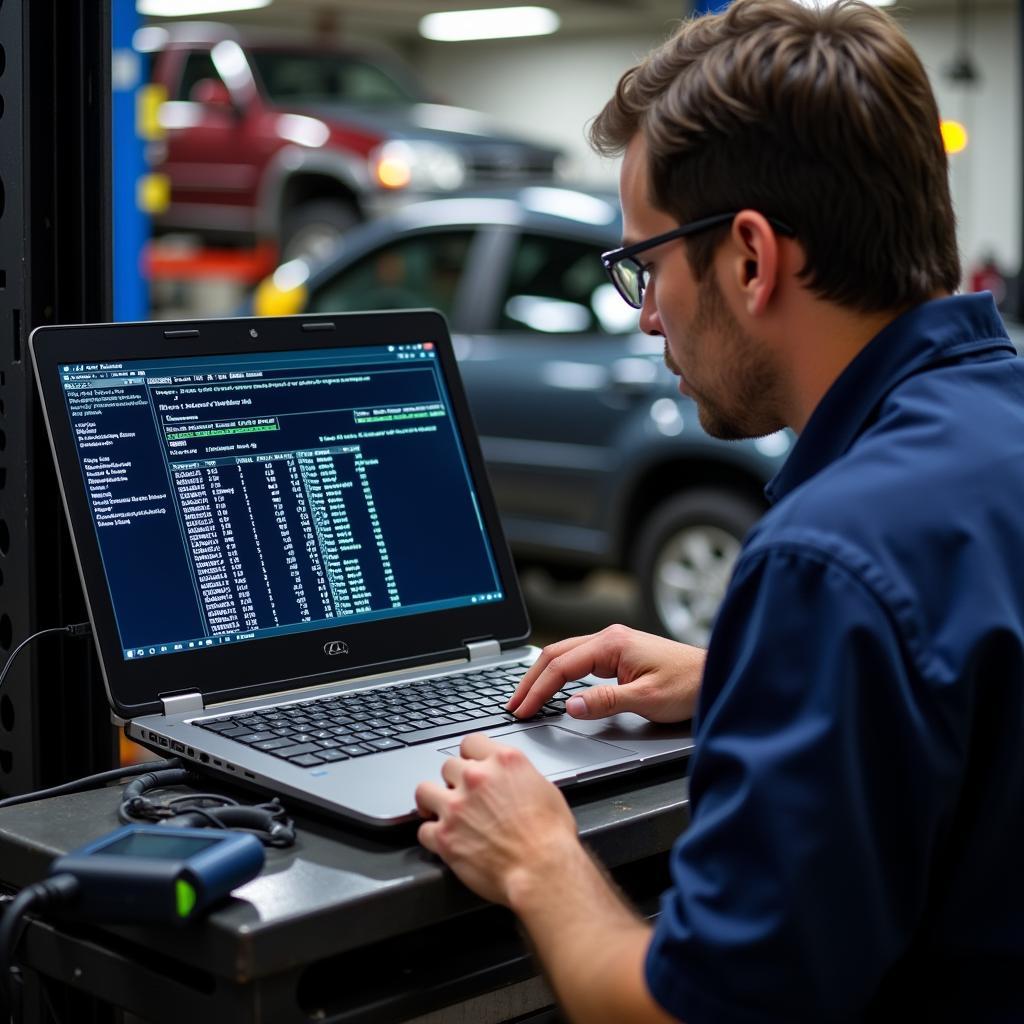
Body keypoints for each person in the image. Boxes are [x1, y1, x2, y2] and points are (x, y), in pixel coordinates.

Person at [414, 0, 1024, 1020]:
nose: (646, 315)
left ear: (749, 257)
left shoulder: (829, 564)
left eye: (644, 266)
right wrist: (758, 677)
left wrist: (537, 857)